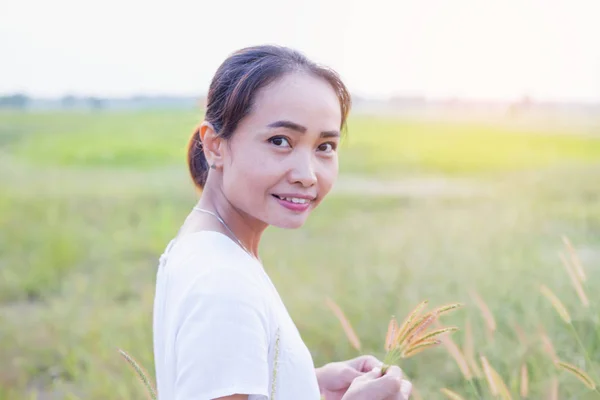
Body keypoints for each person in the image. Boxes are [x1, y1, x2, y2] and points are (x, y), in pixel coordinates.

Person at [152, 44, 412, 400]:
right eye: (280, 141)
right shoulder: (223, 283)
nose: (307, 175)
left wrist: (307, 383)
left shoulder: (207, 247)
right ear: (214, 145)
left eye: (325, 146)